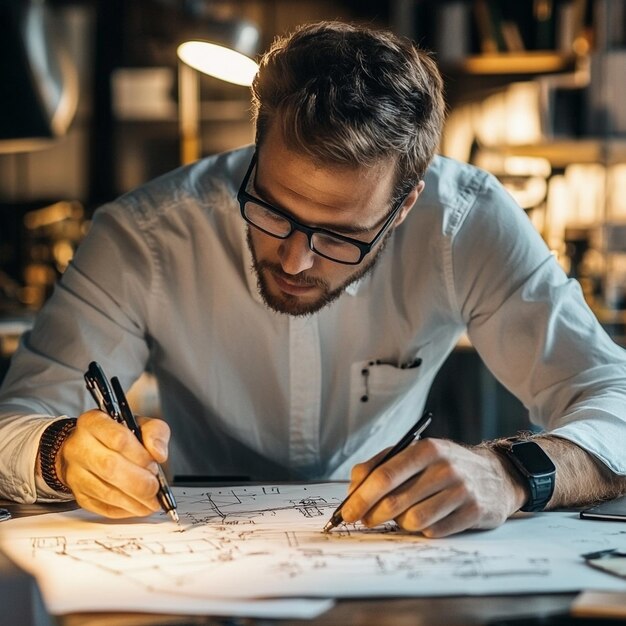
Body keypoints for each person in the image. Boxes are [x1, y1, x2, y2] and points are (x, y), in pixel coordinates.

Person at [1, 21, 626, 537]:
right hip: (191, 547)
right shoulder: (142, 236)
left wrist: (512, 473)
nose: (297, 261)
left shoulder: (465, 222)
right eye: (272, 210)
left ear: (405, 204)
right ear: (254, 150)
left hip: (396, 549)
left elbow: (613, 398)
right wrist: (61, 451)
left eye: (340, 235)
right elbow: (14, 421)